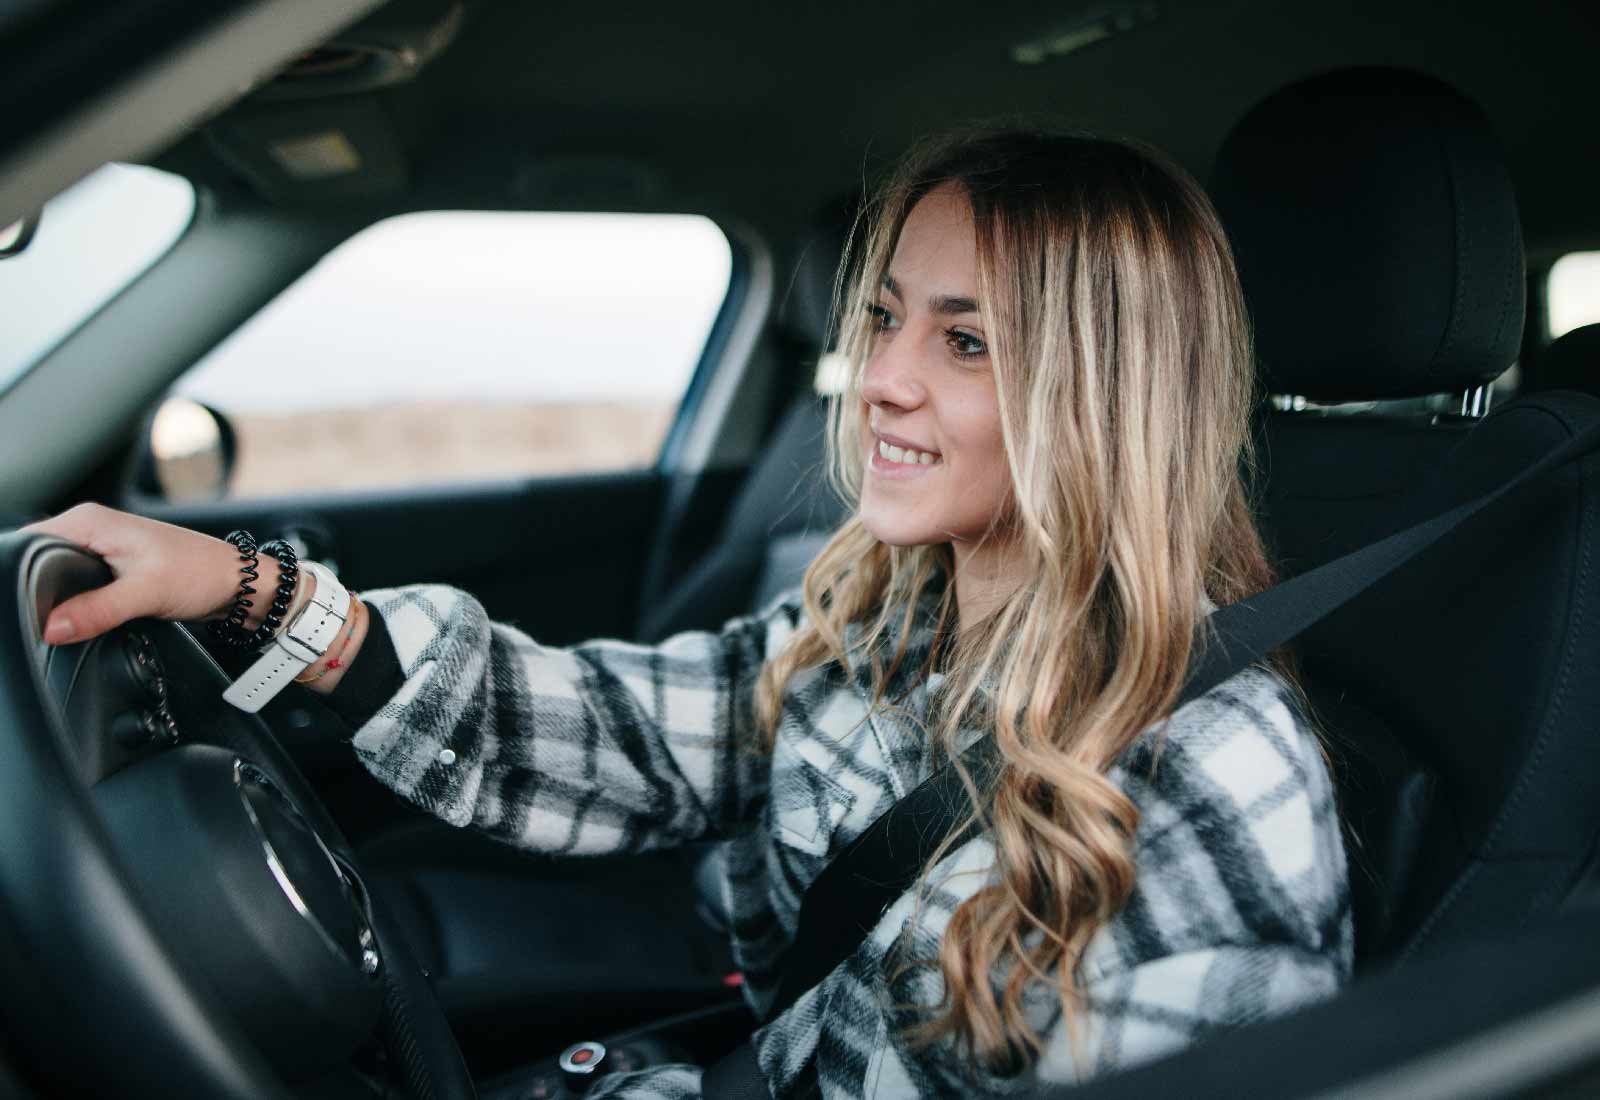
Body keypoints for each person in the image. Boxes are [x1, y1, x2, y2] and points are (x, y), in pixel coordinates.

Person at [26, 129, 1351, 1098]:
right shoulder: (896, 606)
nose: (876, 378)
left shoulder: (1219, 777)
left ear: (1104, 393)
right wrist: (256, 593)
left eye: (966, 342)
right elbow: (633, 731)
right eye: (884, 319)